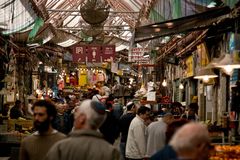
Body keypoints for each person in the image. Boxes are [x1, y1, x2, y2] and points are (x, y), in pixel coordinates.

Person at [45, 99, 120, 160]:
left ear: (82, 118)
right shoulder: (111, 151)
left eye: (77, 113)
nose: (75, 116)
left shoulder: (61, 148)